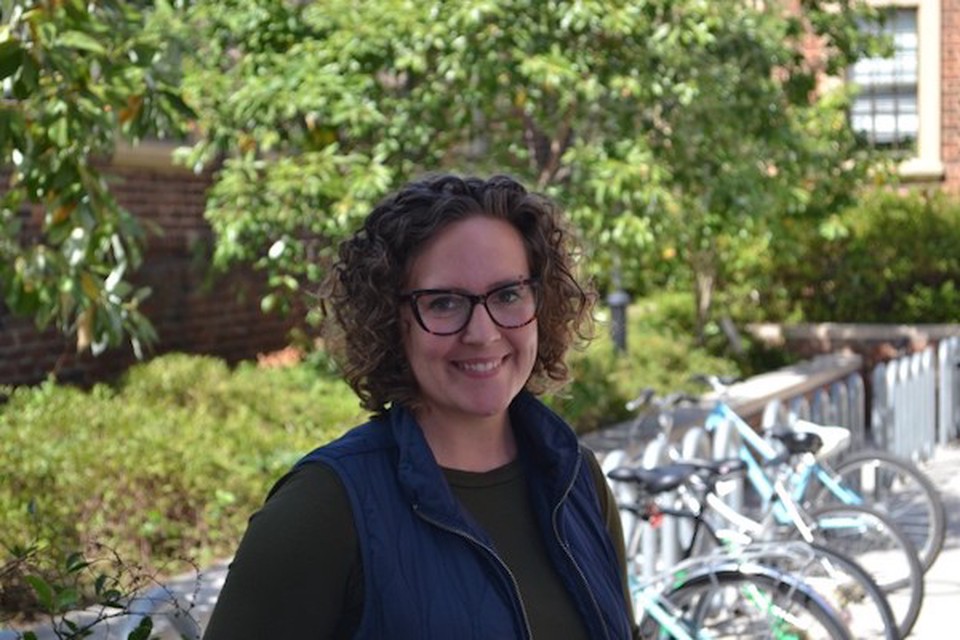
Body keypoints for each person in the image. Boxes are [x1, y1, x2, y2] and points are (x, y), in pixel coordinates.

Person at [202, 173, 638, 639]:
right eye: (445, 303)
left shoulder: (576, 478)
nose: (483, 333)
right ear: (392, 321)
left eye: (508, 295)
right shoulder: (324, 509)